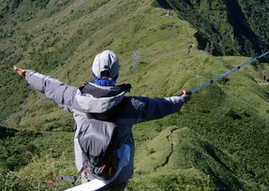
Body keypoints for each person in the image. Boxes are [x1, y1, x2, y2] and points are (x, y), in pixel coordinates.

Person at [13, 50, 191, 190]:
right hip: (118, 172)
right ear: (116, 74)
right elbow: (162, 106)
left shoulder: (75, 99)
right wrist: (181, 99)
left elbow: (50, 86)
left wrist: (28, 74)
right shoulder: (131, 106)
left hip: (88, 170)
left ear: (93, 72)